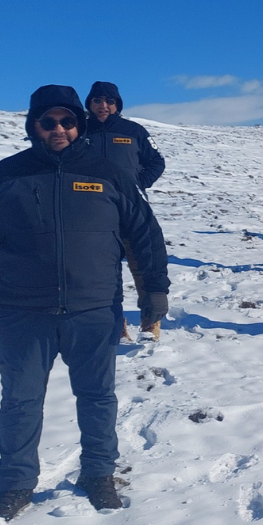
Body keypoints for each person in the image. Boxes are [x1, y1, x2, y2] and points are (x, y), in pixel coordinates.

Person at [0, 85, 170, 521]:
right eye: (49, 121)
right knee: (20, 400)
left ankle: (98, 474)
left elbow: (145, 235)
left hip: (93, 309)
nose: (59, 129)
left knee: (97, 397)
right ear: (34, 125)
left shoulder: (109, 175)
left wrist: (154, 291)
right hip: (21, 312)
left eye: (68, 121)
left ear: (80, 125)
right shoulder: (3, 177)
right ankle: (16, 484)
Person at [83, 81, 168, 341]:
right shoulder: (80, 131)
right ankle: (117, 328)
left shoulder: (134, 131)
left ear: (117, 104)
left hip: (132, 210)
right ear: (90, 103)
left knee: (143, 266)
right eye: (97, 100)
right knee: (106, 272)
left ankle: (150, 324)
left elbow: (156, 161)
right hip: (94, 212)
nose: (103, 106)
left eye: (109, 101)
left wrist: (138, 184)